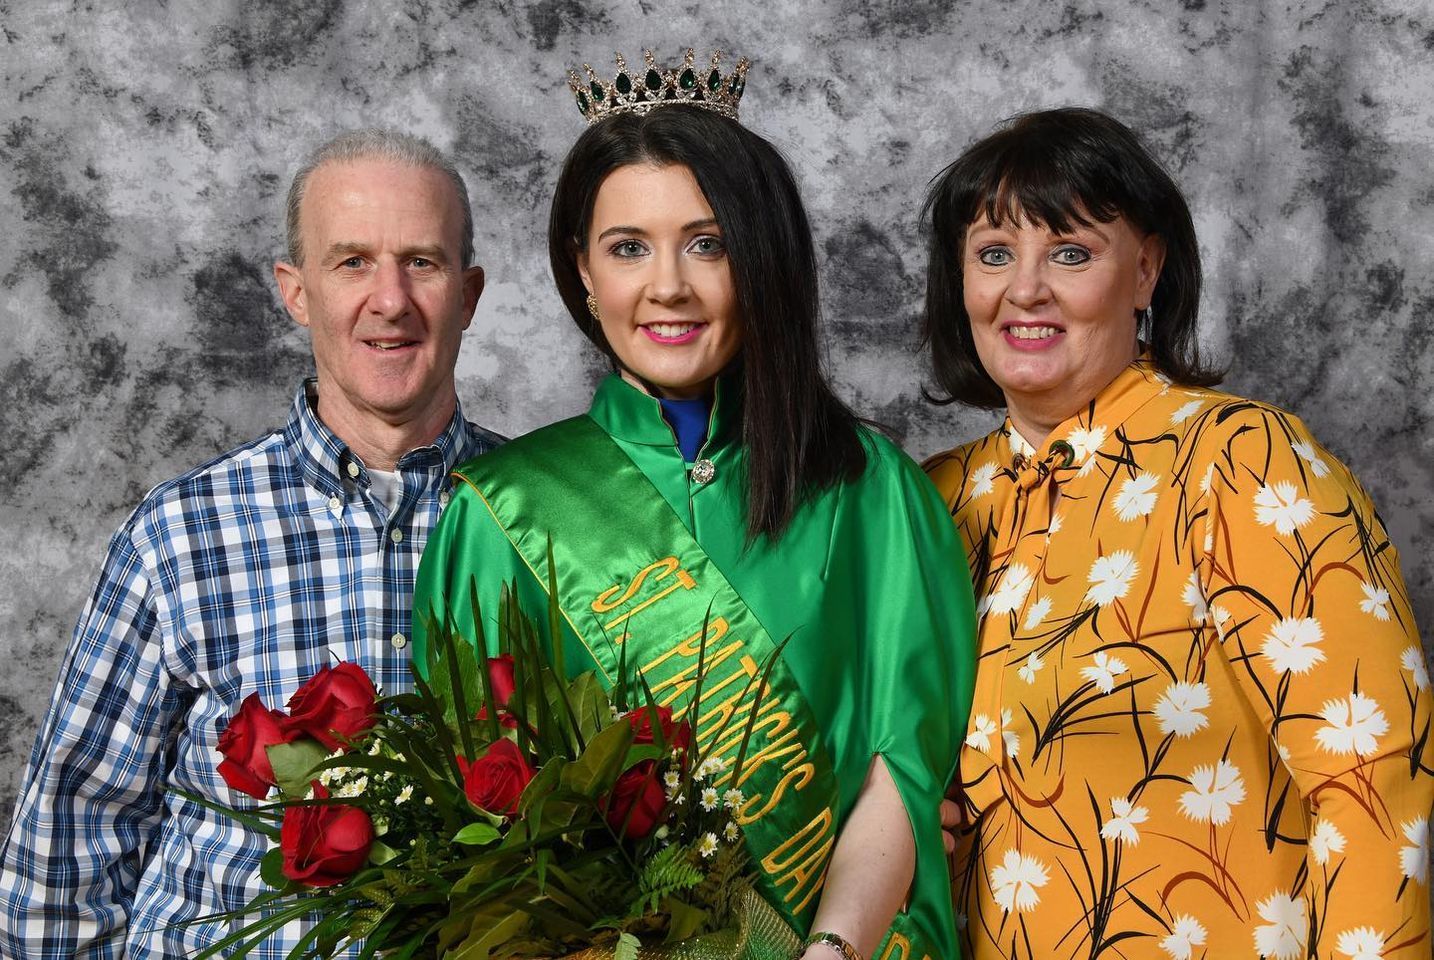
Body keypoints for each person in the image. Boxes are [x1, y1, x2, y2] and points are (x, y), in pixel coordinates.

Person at [412, 50, 975, 960]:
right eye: (628, 247)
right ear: (583, 272)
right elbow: (484, 833)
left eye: (707, 244)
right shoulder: (499, 515)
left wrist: (827, 952)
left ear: (762, 260)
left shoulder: (873, 491)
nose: (667, 285)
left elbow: (902, 770)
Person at [921, 106, 1433, 959]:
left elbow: (1377, 780)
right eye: (994, 254)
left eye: (1072, 253)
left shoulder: (1241, 461)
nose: (1025, 290)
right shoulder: (934, 499)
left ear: (1146, 270)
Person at [0, 129, 502, 958]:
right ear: (295, 291)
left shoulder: (541, 518)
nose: (390, 299)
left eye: (422, 261)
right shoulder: (179, 536)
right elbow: (65, 856)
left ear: (470, 293)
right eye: (351, 263)